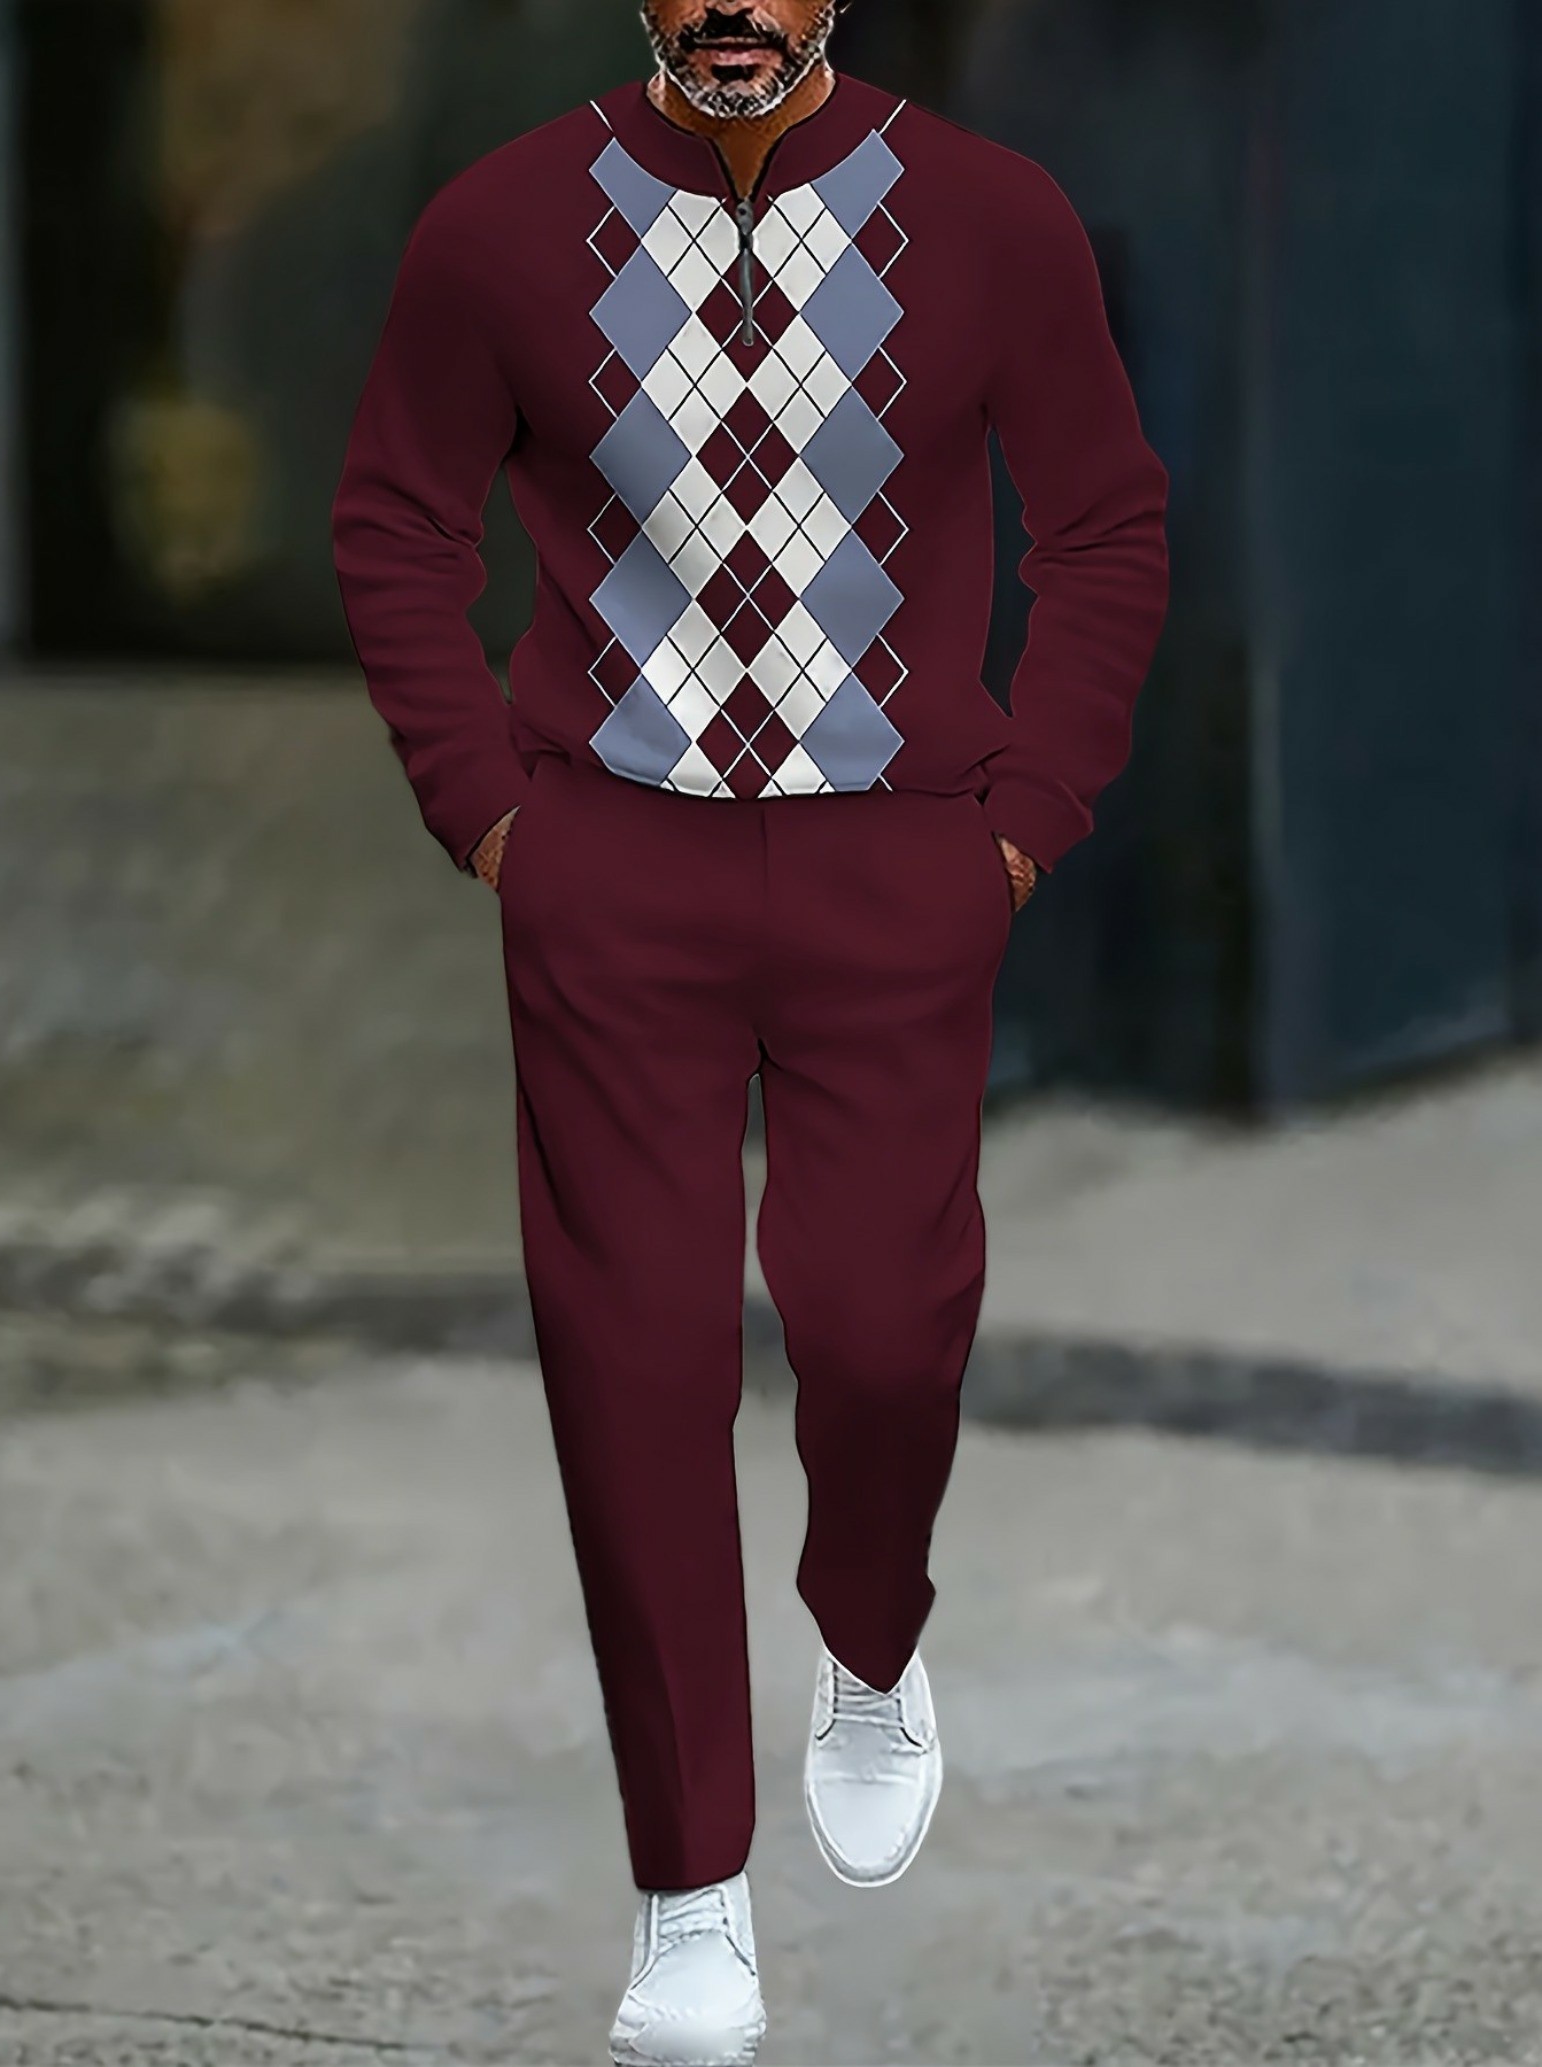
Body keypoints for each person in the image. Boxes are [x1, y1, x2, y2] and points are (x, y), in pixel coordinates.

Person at [332, 0, 1169, 2057]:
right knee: (632, 1360)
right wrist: (490, 813)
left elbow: (1103, 525)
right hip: (612, 870)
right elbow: (395, 523)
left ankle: (868, 1634)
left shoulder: (988, 217)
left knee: (881, 1326)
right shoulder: (498, 227)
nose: (732, 2)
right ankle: (687, 1885)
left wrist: (1020, 823)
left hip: (899, 864)